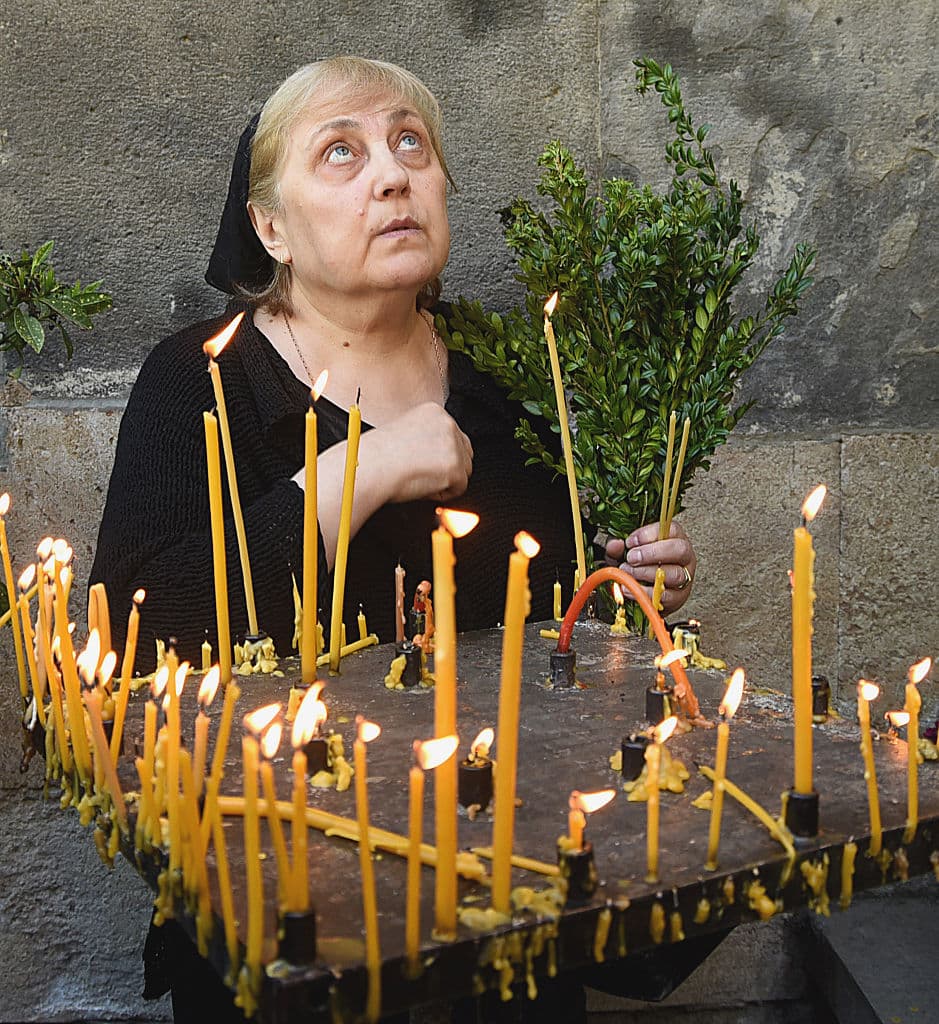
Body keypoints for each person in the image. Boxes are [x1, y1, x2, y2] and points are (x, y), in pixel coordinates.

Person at [89, 57, 697, 1022]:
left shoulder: (509, 374)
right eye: (341, 152)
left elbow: (558, 619)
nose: (391, 174)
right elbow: (141, 634)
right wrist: (363, 469)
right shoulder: (200, 382)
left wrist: (629, 579)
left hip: (507, 901)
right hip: (289, 916)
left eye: (410, 143)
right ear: (270, 227)